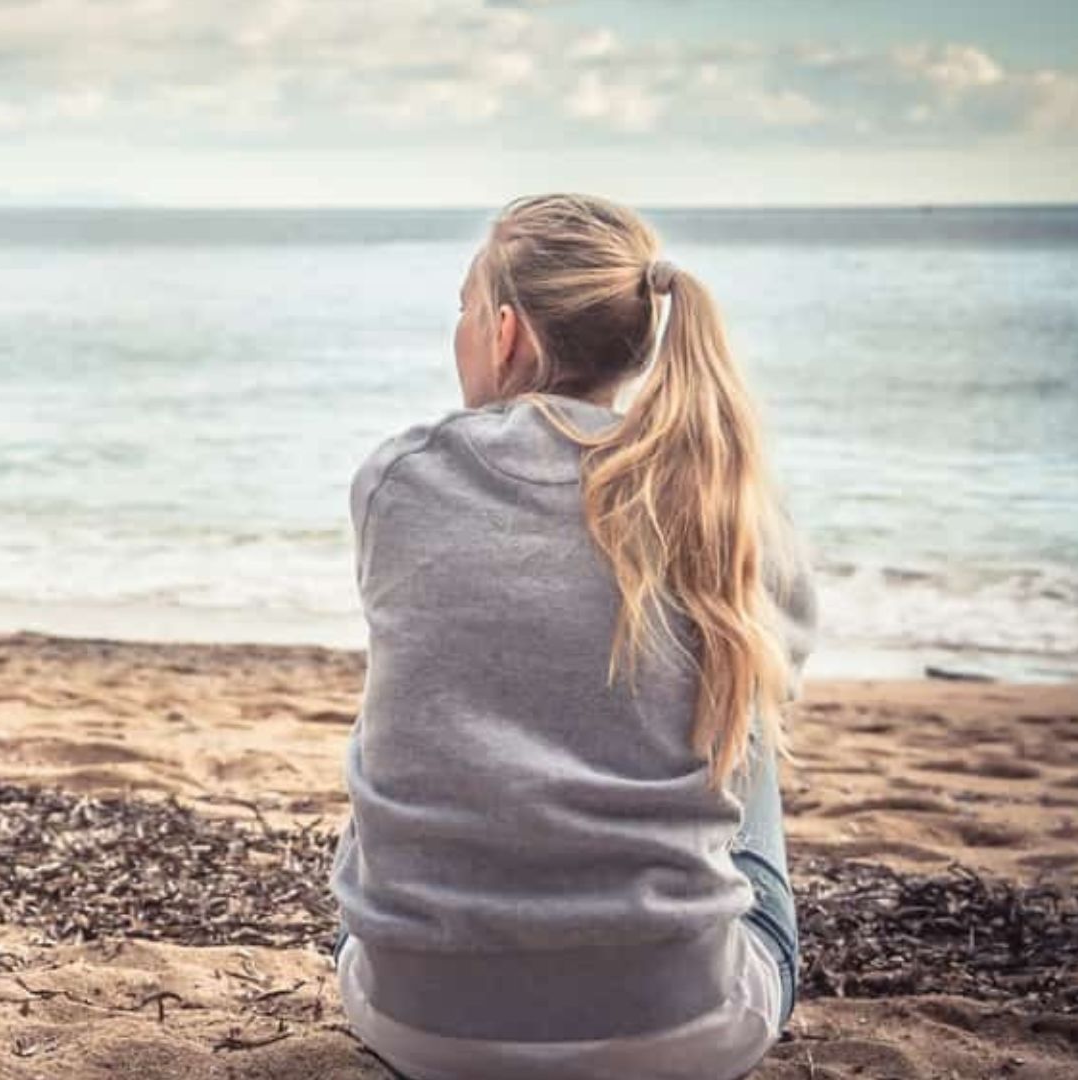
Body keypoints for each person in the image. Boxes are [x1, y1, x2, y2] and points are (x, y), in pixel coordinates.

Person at [328, 193, 818, 1080]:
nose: (463, 333)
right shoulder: (724, 503)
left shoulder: (399, 478)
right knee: (741, 715)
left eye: (466, 312)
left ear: (507, 333)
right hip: (685, 1031)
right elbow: (776, 678)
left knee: (413, 710)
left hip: (417, 1022)